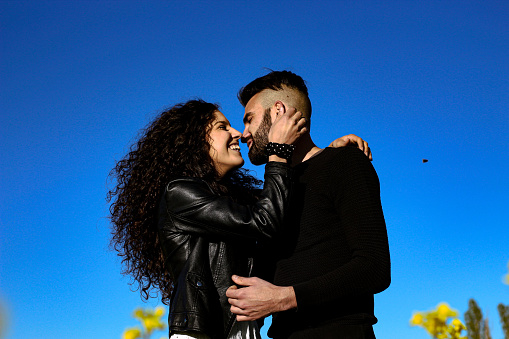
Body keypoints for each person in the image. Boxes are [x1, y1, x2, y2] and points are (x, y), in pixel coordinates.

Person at [107, 99, 368, 339]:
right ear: (194, 141)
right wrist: (278, 151)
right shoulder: (180, 193)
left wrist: (323, 157)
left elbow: (281, 200)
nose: (237, 134)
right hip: (206, 333)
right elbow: (264, 221)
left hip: (242, 330)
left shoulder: (233, 201)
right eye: (223, 127)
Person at [226, 71, 391, 339]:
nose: (244, 133)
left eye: (249, 119)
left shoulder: (344, 162)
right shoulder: (271, 195)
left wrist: (284, 298)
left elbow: (375, 268)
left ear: (278, 111)